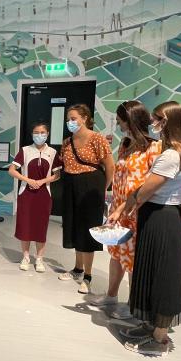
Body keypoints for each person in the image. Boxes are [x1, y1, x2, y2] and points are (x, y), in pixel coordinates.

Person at [118, 101, 181, 356]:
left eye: (157, 118)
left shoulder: (172, 155)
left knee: (162, 278)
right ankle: (152, 327)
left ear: (169, 121)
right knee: (152, 273)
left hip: (162, 218)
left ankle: (159, 338)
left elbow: (146, 190)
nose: (153, 122)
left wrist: (127, 205)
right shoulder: (175, 150)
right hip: (158, 216)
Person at [90, 101, 162, 317]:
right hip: (118, 209)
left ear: (130, 121)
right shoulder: (125, 143)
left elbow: (151, 183)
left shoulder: (154, 148)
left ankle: (134, 304)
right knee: (116, 253)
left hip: (136, 210)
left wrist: (126, 205)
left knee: (132, 259)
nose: (119, 124)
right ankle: (111, 295)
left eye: (121, 120)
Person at [57, 104, 115, 294]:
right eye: (68, 119)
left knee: (88, 229)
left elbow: (110, 166)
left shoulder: (97, 138)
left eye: (73, 118)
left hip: (91, 185)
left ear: (85, 118)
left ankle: (88, 276)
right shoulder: (67, 142)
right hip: (70, 185)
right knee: (74, 226)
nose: (70, 122)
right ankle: (77, 268)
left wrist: (103, 188)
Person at [8, 122, 62, 273]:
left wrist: (41, 181)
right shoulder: (25, 150)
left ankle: (39, 259)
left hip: (44, 194)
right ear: (32, 134)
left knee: (40, 227)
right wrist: (28, 180)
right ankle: (25, 257)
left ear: (47, 134)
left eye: (42, 132)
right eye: (36, 132)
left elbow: (57, 175)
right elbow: (12, 170)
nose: (39, 135)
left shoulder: (52, 152)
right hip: (26, 194)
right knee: (25, 226)